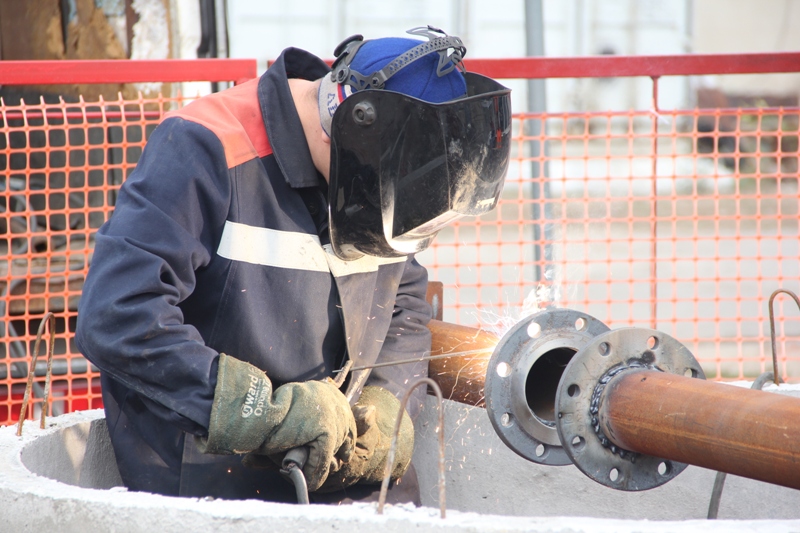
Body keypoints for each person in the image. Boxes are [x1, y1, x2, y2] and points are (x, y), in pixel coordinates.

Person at [76, 26, 510, 504]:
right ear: (345, 131)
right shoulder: (204, 148)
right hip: (215, 488)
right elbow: (118, 315)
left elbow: (404, 302)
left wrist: (386, 400)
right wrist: (262, 412)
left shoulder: (380, 180)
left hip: (346, 483)